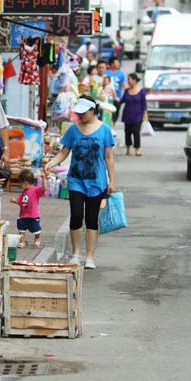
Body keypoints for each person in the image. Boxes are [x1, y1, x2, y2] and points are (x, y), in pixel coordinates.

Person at [43, 95, 116, 270]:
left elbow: (108, 157)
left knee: (91, 219)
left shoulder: (104, 130)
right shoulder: (73, 130)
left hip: (97, 181)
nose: (81, 116)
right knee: (76, 215)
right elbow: (64, 152)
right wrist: (52, 162)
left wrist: (111, 180)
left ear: (92, 111)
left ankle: (89, 256)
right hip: (76, 180)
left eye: (84, 112)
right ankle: (76, 253)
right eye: (79, 112)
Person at [11, 170, 44, 249]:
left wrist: (44, 179)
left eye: (20, 184)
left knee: (36, 229)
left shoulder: (35, 190)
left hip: (33, 215)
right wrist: (15, 201)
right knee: (21, 228)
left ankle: (37, 237)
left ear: (25, 183)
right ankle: (22, 241)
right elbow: (21, 202)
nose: (20, 186)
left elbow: (44, 189)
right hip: (23, 215)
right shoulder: (23, 192)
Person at [119, 72, 148, 156]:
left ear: (134, 80)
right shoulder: (127, 90)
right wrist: (114, 96)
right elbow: (122, 100)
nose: (128, 81)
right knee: (127, 132)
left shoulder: (141, 91)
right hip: (127, 114)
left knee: (136, 132)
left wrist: (145, 113)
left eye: (129, 79)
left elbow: (144, 103)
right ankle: (128, 148)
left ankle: (137, 149)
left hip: (138, 115)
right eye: (127, 79)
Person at [106, 58, 127, 123]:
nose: (118, 64)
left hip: (117, 98)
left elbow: (125, 85)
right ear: (112, 64)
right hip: (107, 98)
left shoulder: (121, 73)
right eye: (117, 62)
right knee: (107, 114)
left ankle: (112, 126)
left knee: (115, 115)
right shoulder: (106, 73)